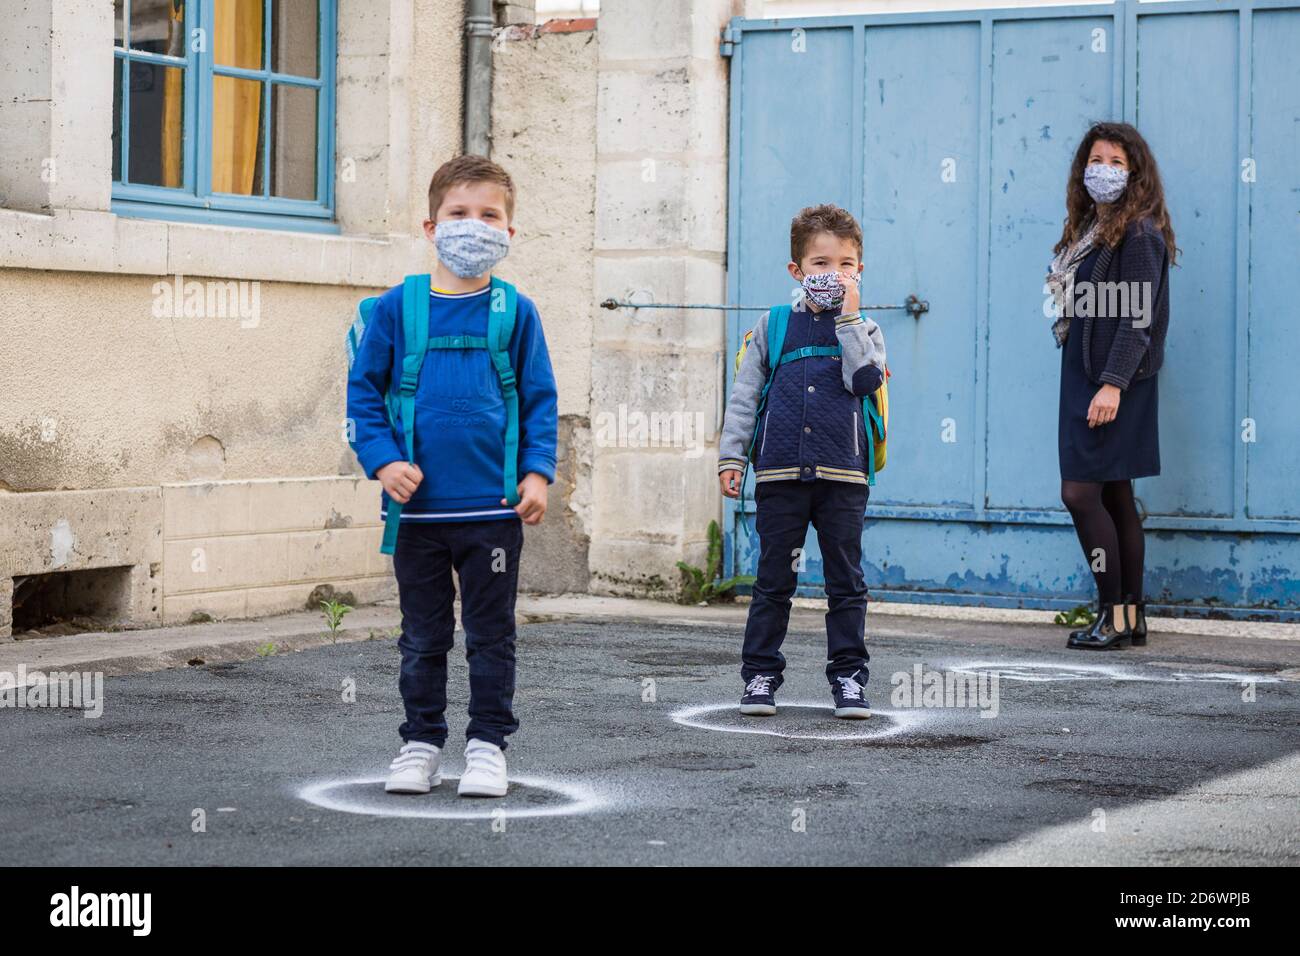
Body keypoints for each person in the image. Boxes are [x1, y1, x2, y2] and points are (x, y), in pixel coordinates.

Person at [347, 155, 558, 795]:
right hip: (419, 517)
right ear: (430, 225)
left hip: (493, 515)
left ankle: (488, 745)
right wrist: (382, 462)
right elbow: (363, 395)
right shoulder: (396, 308)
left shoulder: (515, 312)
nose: (474, 226)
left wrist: (537, 474)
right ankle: (419, 743)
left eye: (489, 215)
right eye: (459, 214)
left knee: (491, 636)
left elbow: (539, 397)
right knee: (423, 637)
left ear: (509, 231)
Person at [718, 204, 887, 718]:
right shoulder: (773, 326)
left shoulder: (868, 329)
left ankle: (849, 679)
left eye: (846, 264)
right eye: (820, 264)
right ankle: (761, 676)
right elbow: (745, 397)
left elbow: (864, 381)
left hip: (843, 476)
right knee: (773, 581)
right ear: (797, 271)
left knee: (845, 582)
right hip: (780, 475)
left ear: (859, 270)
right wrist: (732, 457)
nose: (833, 274)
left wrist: (850, 319)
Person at [1046, 122, 1174, 650]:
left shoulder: (1137, 232)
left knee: (1079, 494)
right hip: (1087, 374)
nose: (1104, 170)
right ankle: (1128, 617)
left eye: (1117, 162)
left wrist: (1113, 384)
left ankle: (1114, 612)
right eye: (1095, 160)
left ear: (1135, 172)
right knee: (1116, 495)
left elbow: (1137, 318)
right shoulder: (1094, 230)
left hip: (1112, 381)